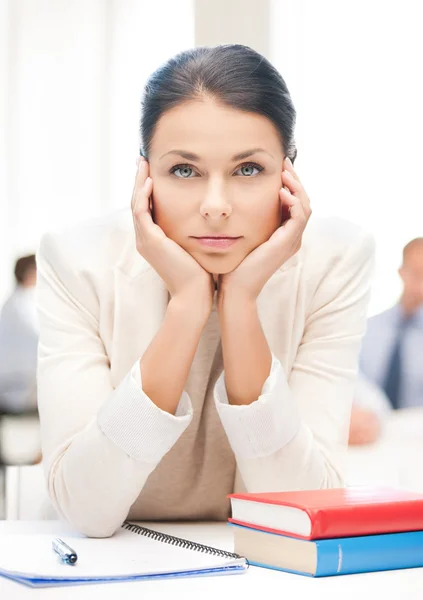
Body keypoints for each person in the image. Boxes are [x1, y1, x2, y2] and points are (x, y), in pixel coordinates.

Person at [36, 44, 375, 538]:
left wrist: (239, 304)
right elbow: (86, 509)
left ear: (289, 174)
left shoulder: (336, 259)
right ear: (144, 176)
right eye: (184, 170)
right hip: (102, 565)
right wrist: (189, 305)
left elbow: (300, 508)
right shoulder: (77, 259)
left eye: (247, 169)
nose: (216, 206)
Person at [359, 237, 423, 411]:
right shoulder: (367, 329)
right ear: (402, 272)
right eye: (417, 273)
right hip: (370, 427)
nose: (421, 286)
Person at [0, 255, 39, 413]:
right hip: (16, 389)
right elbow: (38, 342)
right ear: (30, 273)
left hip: (16, 382)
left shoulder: (19, 301)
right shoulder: (19, 305)